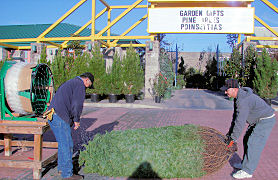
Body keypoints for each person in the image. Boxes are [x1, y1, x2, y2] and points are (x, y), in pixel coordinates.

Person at [221, 79, 276, 179]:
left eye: (226, 90)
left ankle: (248, 171)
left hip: (265, 120)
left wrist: (233, 138)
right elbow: (235, 118)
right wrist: (230, 134)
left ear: (234, 89)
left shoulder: (243, 100)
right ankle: (245, 164)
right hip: (258, 120)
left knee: (253, 143)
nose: (225, 92)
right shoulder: (238, 98)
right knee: (247, 138)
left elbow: (240, 122)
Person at [47, 72, 94, 180]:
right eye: (89, 85)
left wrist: (72, 120)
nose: (88, 87)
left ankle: (62, 169)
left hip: (53, 115)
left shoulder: (72, 82)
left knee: (63, 144)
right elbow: (77, 104)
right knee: (67, 145)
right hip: (59, 116)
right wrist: (77, 120)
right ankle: (67, 174)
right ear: (86, 80)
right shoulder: (79, 85)